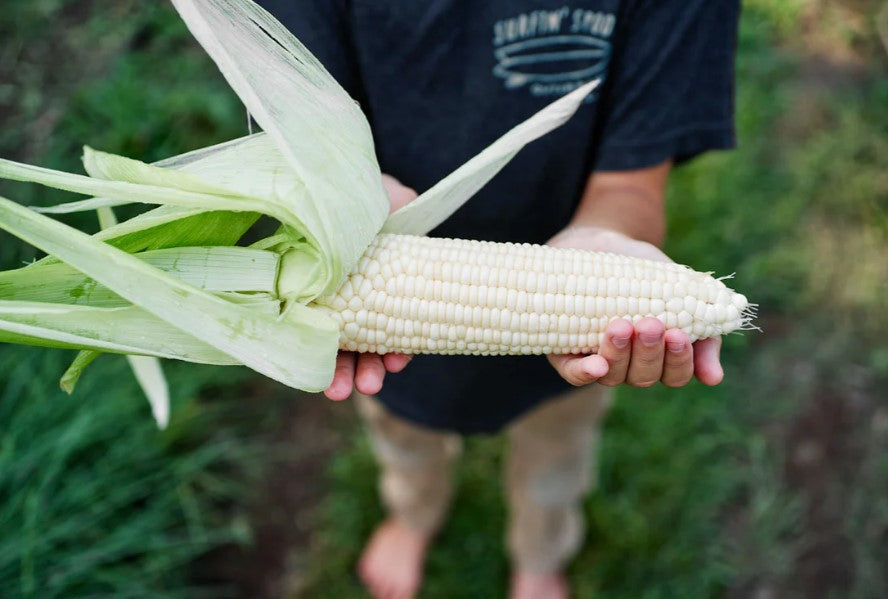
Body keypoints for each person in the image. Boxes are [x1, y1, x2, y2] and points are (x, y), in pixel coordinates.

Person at [259, 2, 740, 598]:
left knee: (554, 460)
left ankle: (540, 558)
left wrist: (609, 237)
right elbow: (298, 124)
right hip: (390, 342)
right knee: (405, 442)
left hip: (569, 352)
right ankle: (412, 517)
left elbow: (629, 184)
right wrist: (344, 196)